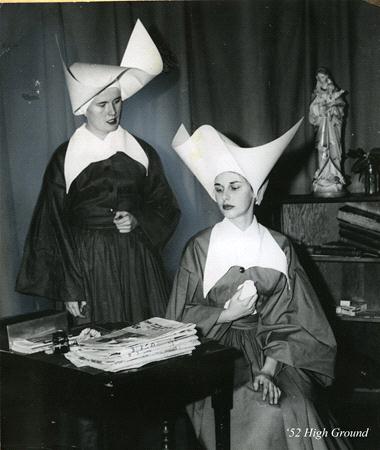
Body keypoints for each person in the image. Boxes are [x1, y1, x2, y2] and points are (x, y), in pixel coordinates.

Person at [166, 120, 352, 449]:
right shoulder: (200, 247)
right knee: (257, 415)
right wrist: (226, 314)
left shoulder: (279, 247)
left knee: (292, 407)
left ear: (258, 191)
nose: (225, 196)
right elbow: (176, 318)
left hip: (275, 356)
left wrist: (268, 371)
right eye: (219, 188)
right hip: (213, 354)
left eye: (235, 186)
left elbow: (295, 321)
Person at [16, 20, 180, 325]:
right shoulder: (65, 158)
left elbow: (165, 205)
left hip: (137, 263)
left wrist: (138, 219)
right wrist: (70, 287)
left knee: (149, 347)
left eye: (117, 101)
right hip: (88, 266)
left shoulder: (142, 152)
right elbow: (51, 226)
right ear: (83, 108)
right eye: (101, 104)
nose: (112, 112)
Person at [309, 67, 346, 196]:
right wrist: (320, 109)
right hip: (322, 128)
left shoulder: (334, 92)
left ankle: (335, 175)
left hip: (332, 126)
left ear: (327, 77)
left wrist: (333, 108)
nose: (321, 80)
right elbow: (312, 114)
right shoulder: (316, 94)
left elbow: (341, 109)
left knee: (334, 149)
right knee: (322, 149)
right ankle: (323, 177)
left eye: (323, 77)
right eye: (319, 78)